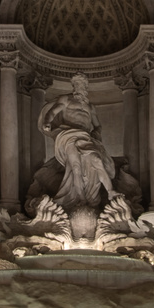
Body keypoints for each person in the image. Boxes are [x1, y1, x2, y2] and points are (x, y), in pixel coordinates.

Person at [38, 72, 118, 208]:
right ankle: (81, 199)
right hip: (68, 135)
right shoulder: (66, 99)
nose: (80, 87)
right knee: (76, 167)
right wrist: (47, 121)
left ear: (86, 87)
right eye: (77, 84)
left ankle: (110, 191)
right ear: (73, 86)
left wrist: (97, 133)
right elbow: (52, 112)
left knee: (97, 160)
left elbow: (97, 125)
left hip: (85, 137)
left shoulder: (90, 107)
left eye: (82, 85)